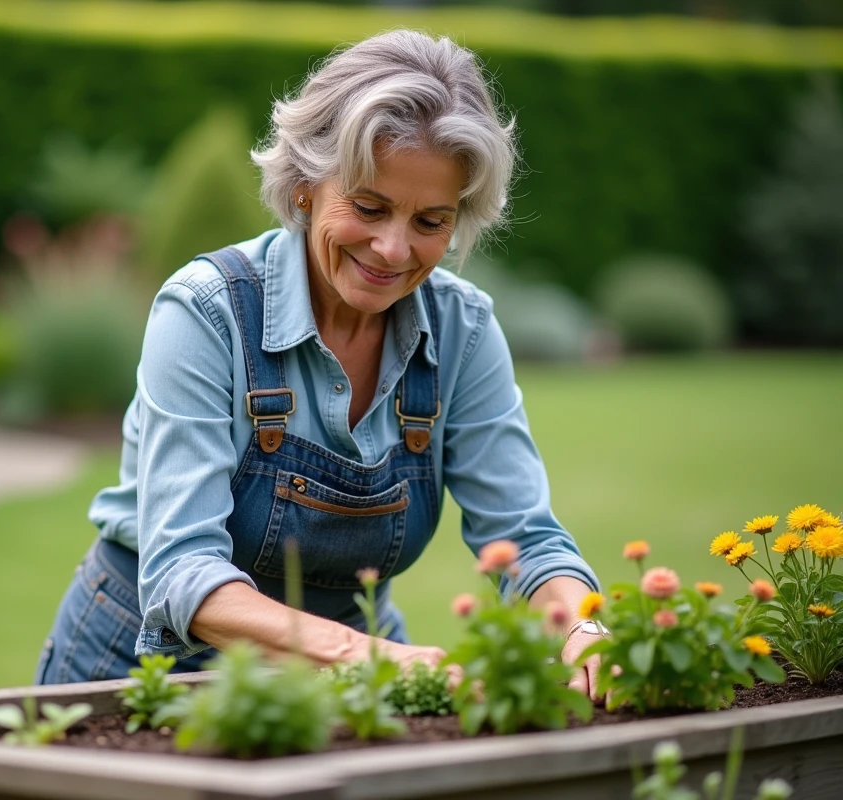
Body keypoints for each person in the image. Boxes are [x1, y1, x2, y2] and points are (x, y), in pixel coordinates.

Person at [34, 29, 605, 697]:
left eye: (430, 222)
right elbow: (182, 572)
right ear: (306, 185)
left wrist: (584, 629)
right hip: (147, 671)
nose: (393, 249)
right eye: (369, 207)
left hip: (348, 670)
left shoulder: (462, 330)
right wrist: (370, 657)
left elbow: (527, 539)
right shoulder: (208, 313)